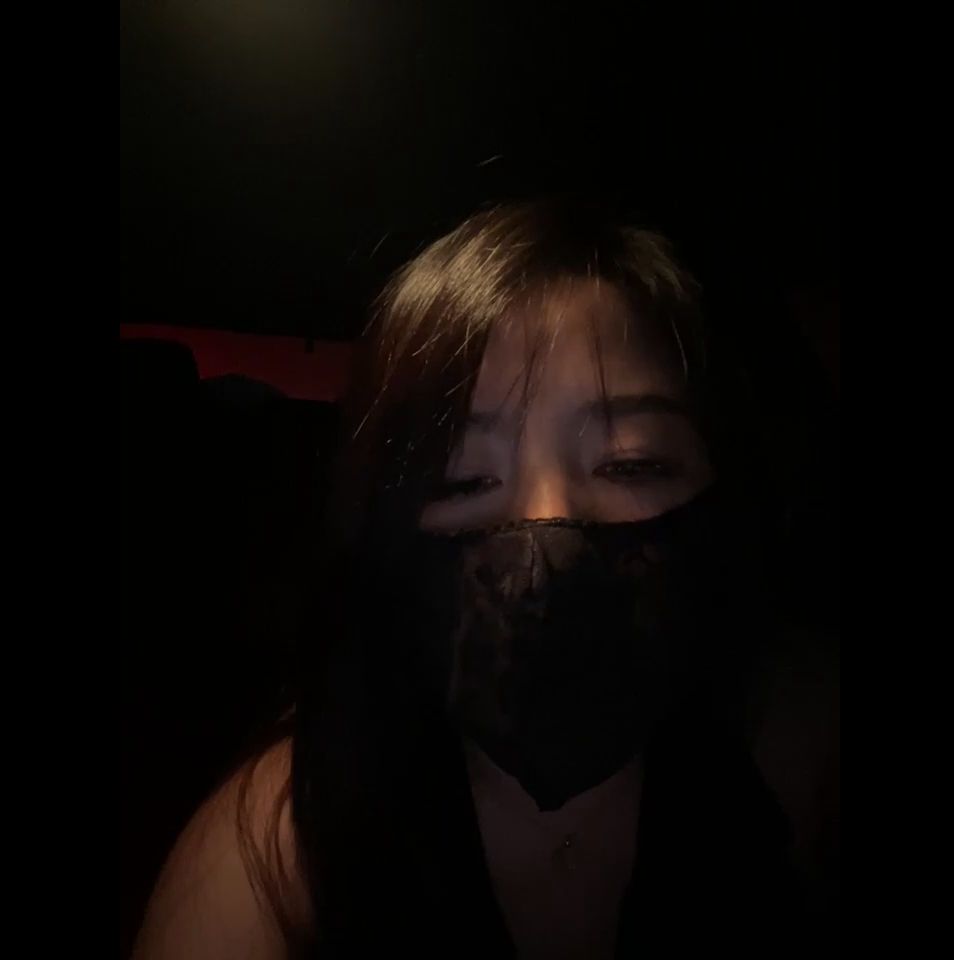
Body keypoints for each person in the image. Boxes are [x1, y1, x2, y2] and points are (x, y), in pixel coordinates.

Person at [132, 199, 838, 959]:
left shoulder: (794, 743)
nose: (546, 527)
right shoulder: (281, 839)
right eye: (464, 479)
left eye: (630, 463)